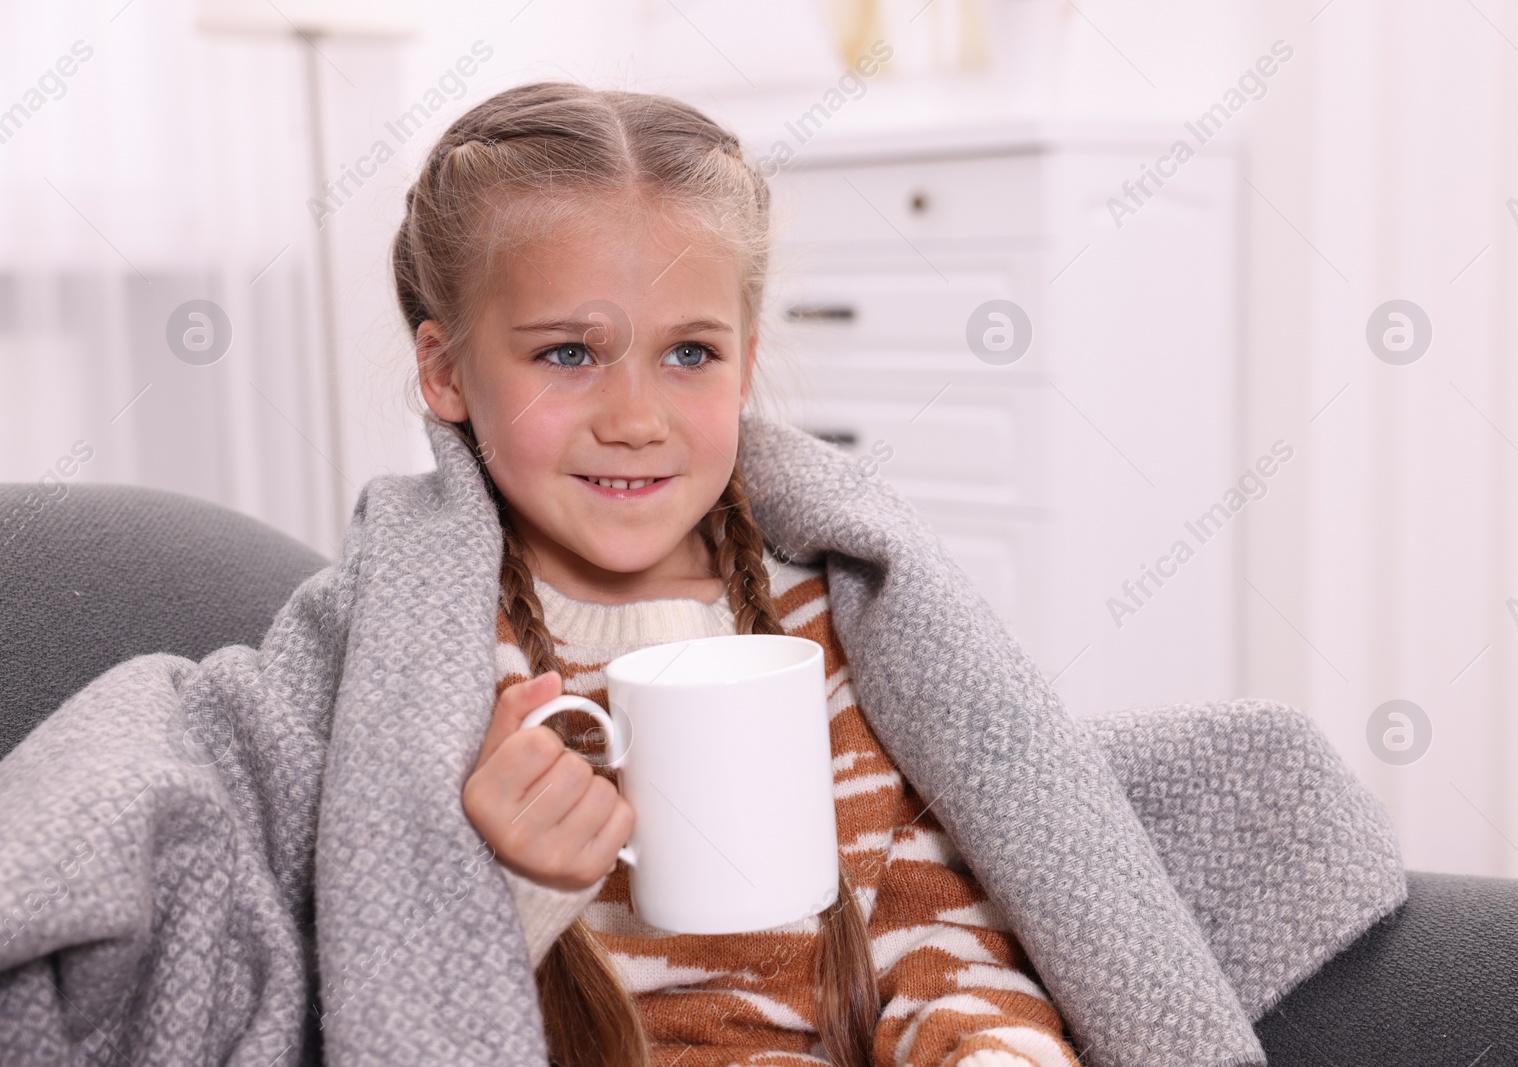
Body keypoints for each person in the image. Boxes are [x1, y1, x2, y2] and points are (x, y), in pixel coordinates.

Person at [394, 83, 1084, 1067]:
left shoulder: (832, 622)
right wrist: (512, 883)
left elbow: (933, 944)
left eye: (688, 352)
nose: (635, 416)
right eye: (566, 351)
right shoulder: (430, 660)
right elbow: (378, 1001)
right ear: (448, 371)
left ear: (746, 363)